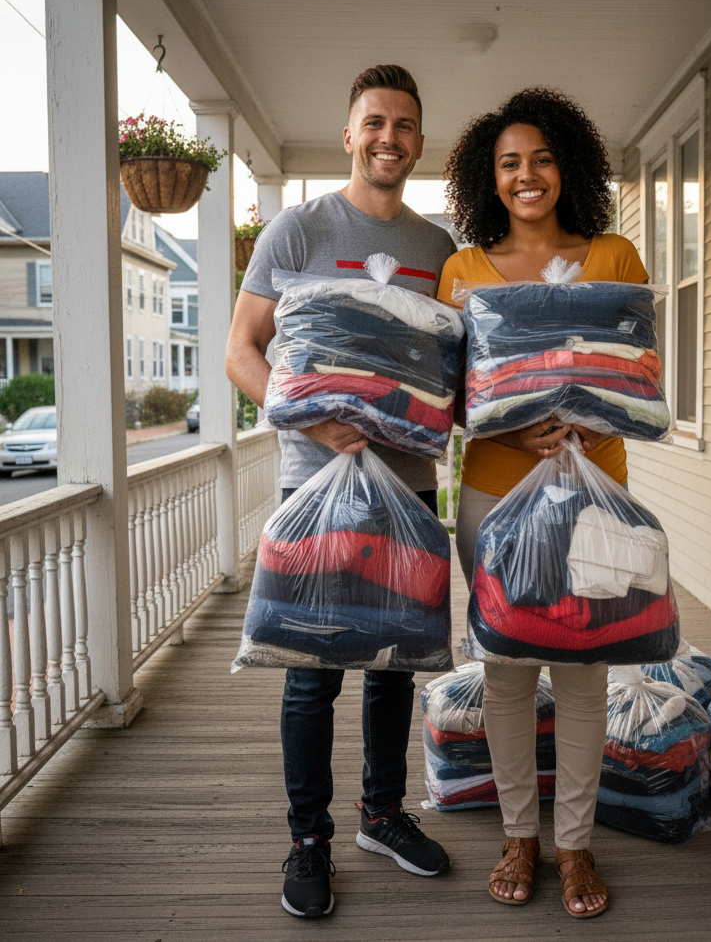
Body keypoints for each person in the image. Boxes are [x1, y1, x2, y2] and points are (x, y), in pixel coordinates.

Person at [226, 64, 457, 919]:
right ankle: (308, 838)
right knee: (313, 669)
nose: (387, 137)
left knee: (397, 662)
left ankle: (384, 814)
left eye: (402, 123)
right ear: (349, 131)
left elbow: (454, 376)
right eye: (373, 122)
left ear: (417, 141)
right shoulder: (297, 229)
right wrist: (313, 420)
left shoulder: (439, 250)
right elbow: (242, 350)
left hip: (408, 485)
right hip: (312, 481)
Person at [437, 87, 650, 919]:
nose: (527, 176)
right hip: (494, 491)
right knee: (507, 672)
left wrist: (584, 419)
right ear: (490, 179)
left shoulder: (616, 256)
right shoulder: (464, 270)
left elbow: (640, 377)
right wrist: (511, 419)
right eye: (510, 164)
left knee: (587, 671)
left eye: (542, 159)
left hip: (595, 493)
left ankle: (575, 843)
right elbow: (446, 390)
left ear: (570, 165)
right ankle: (519, 834)